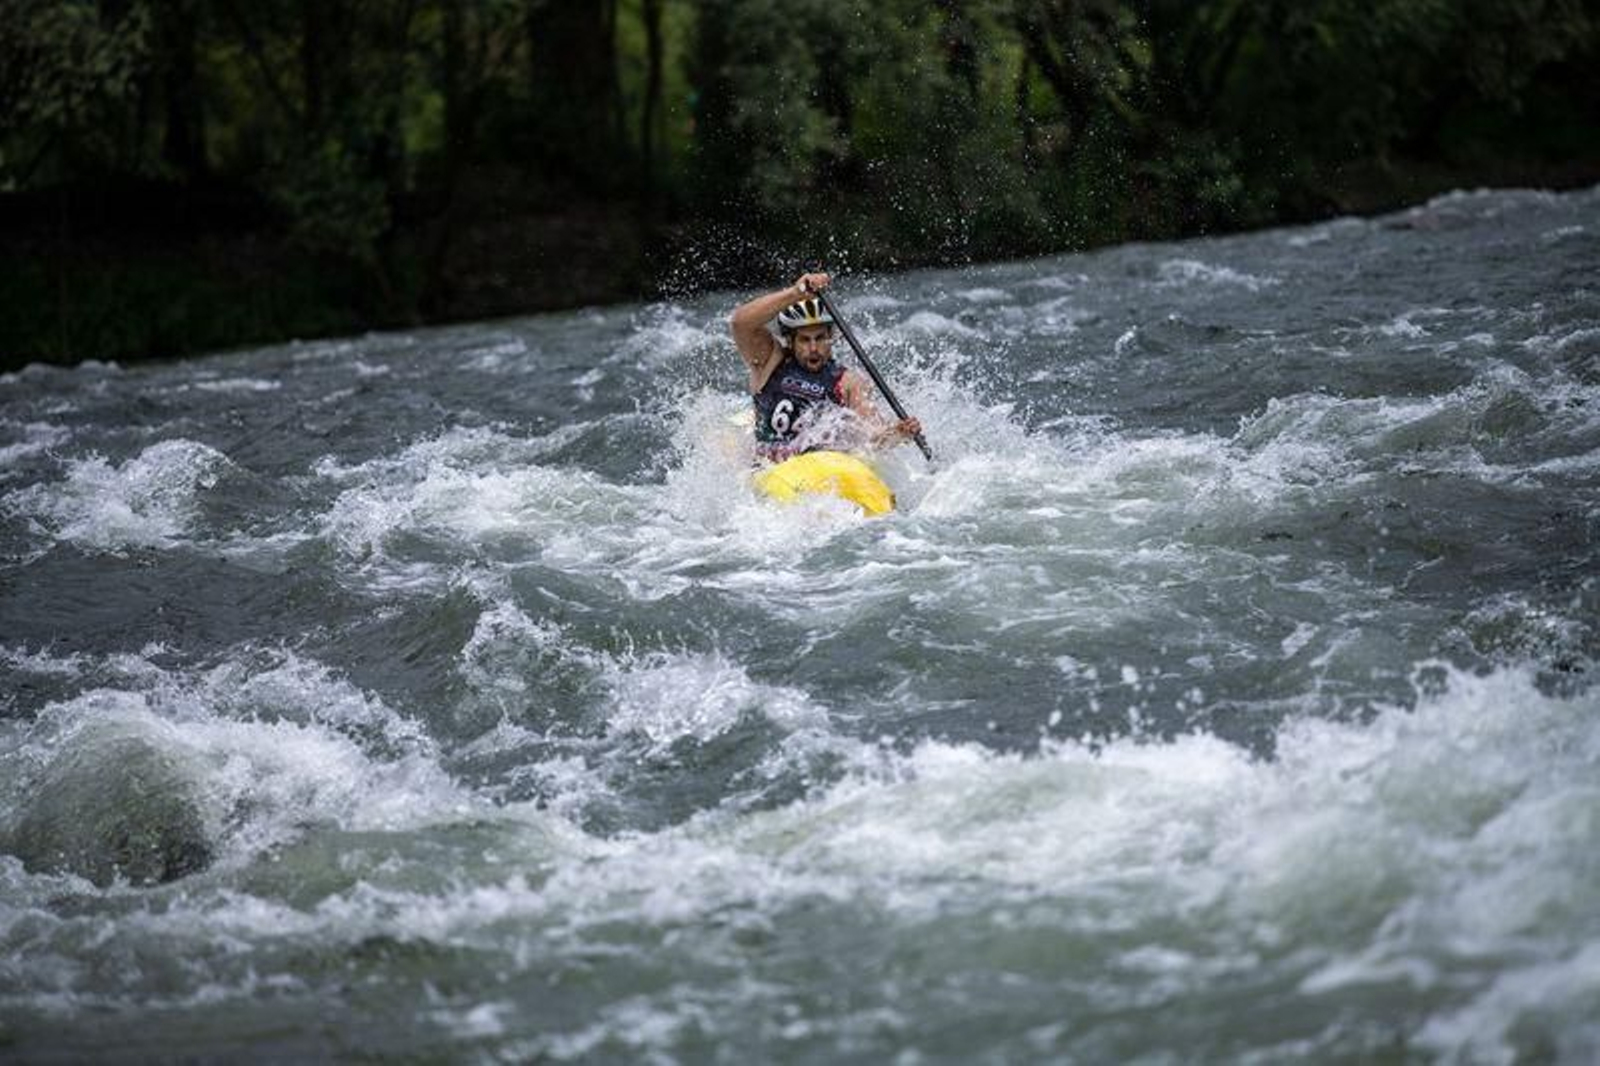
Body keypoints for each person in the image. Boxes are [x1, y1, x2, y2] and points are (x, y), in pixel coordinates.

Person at [730, 271, 922, 462]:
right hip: (767, 469)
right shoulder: (770, 361)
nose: (813, 348)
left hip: (820, 470)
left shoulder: (847, 382)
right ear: (791, 341)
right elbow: (741, 323)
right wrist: (795, 293)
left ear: (831, 338)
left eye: (820, 338)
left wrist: (898, 433)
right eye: (805, 340)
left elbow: (871, 440)